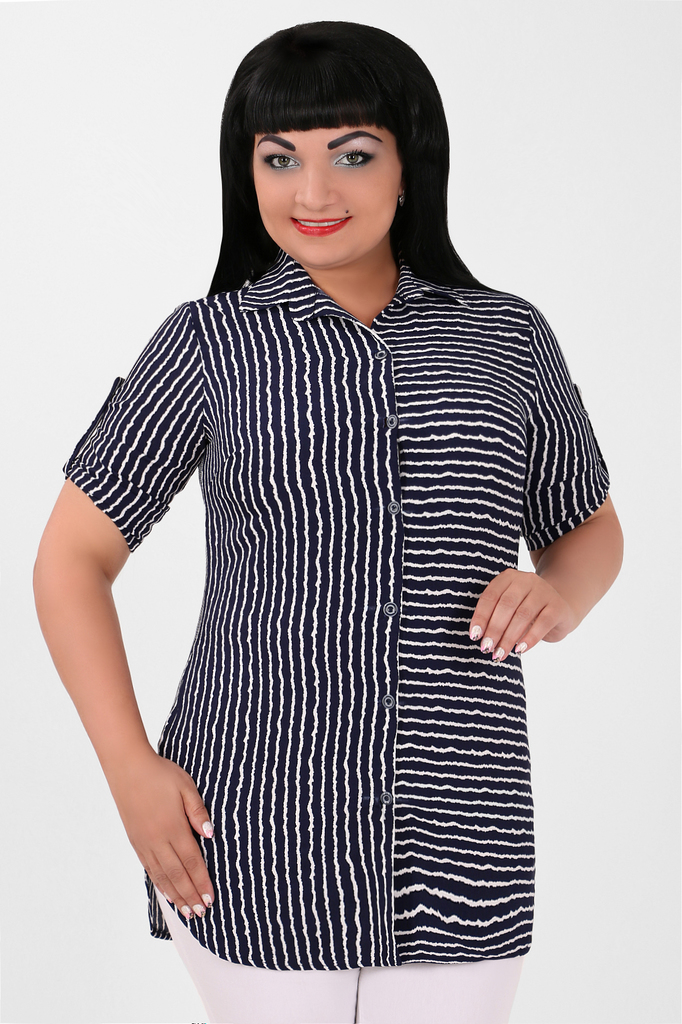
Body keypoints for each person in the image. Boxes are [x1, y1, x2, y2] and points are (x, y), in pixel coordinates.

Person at [33, 19, 624, 1024]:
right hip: (250, 819)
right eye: (279, 158)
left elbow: (588, 526)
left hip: (464, 819)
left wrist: (559, 591)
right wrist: (130, 772)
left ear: (409, 164)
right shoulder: (209, 345)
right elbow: (70, 560)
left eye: (351, 154)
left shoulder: (506, 336)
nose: (312, 192)